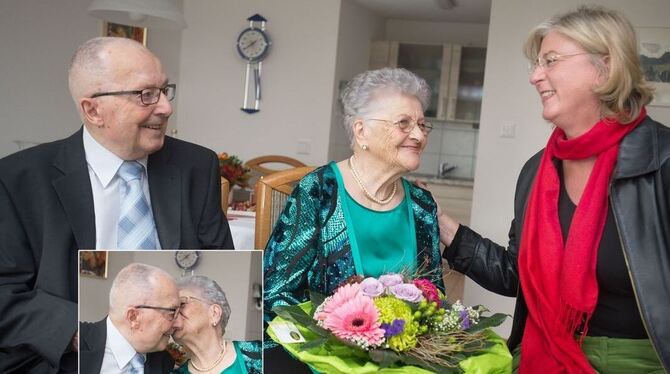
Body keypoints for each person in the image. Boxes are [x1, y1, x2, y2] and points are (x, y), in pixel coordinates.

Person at [439, 5, 669, 373]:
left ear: (605, 66)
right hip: (541, 349)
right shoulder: (537, 171)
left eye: (551, 60)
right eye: (536, 63)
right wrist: (442, 223)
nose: (535, 76)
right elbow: (517, 275)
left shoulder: (662, 163)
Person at [0, 37, 233, 372]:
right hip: (59, 358)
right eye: (146, 94)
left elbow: (216, 260)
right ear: (93, 109)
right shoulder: (17, 180)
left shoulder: (197, 166)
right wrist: (92, 337)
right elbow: (5, 293)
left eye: (165, 90)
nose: (166, 107)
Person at [263, 68, 444, 372]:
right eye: (404, 123)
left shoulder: (421, 204)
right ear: (361, 131)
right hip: (324, 359)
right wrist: (325, 356)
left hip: (406, 361)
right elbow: (276, 293)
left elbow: (433, 296)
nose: (419, 135)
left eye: (423, 125)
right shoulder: (320, 190)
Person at [79, 263, 180, 373]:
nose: (177, 323)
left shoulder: (165, 362)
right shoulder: (72, 343)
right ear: (133, 317)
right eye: (171, 313)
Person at [171, 275, 262, 374]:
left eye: (182, 304)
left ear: (214, 313)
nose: (173, 314)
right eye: (172, 309)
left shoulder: (258, 353)